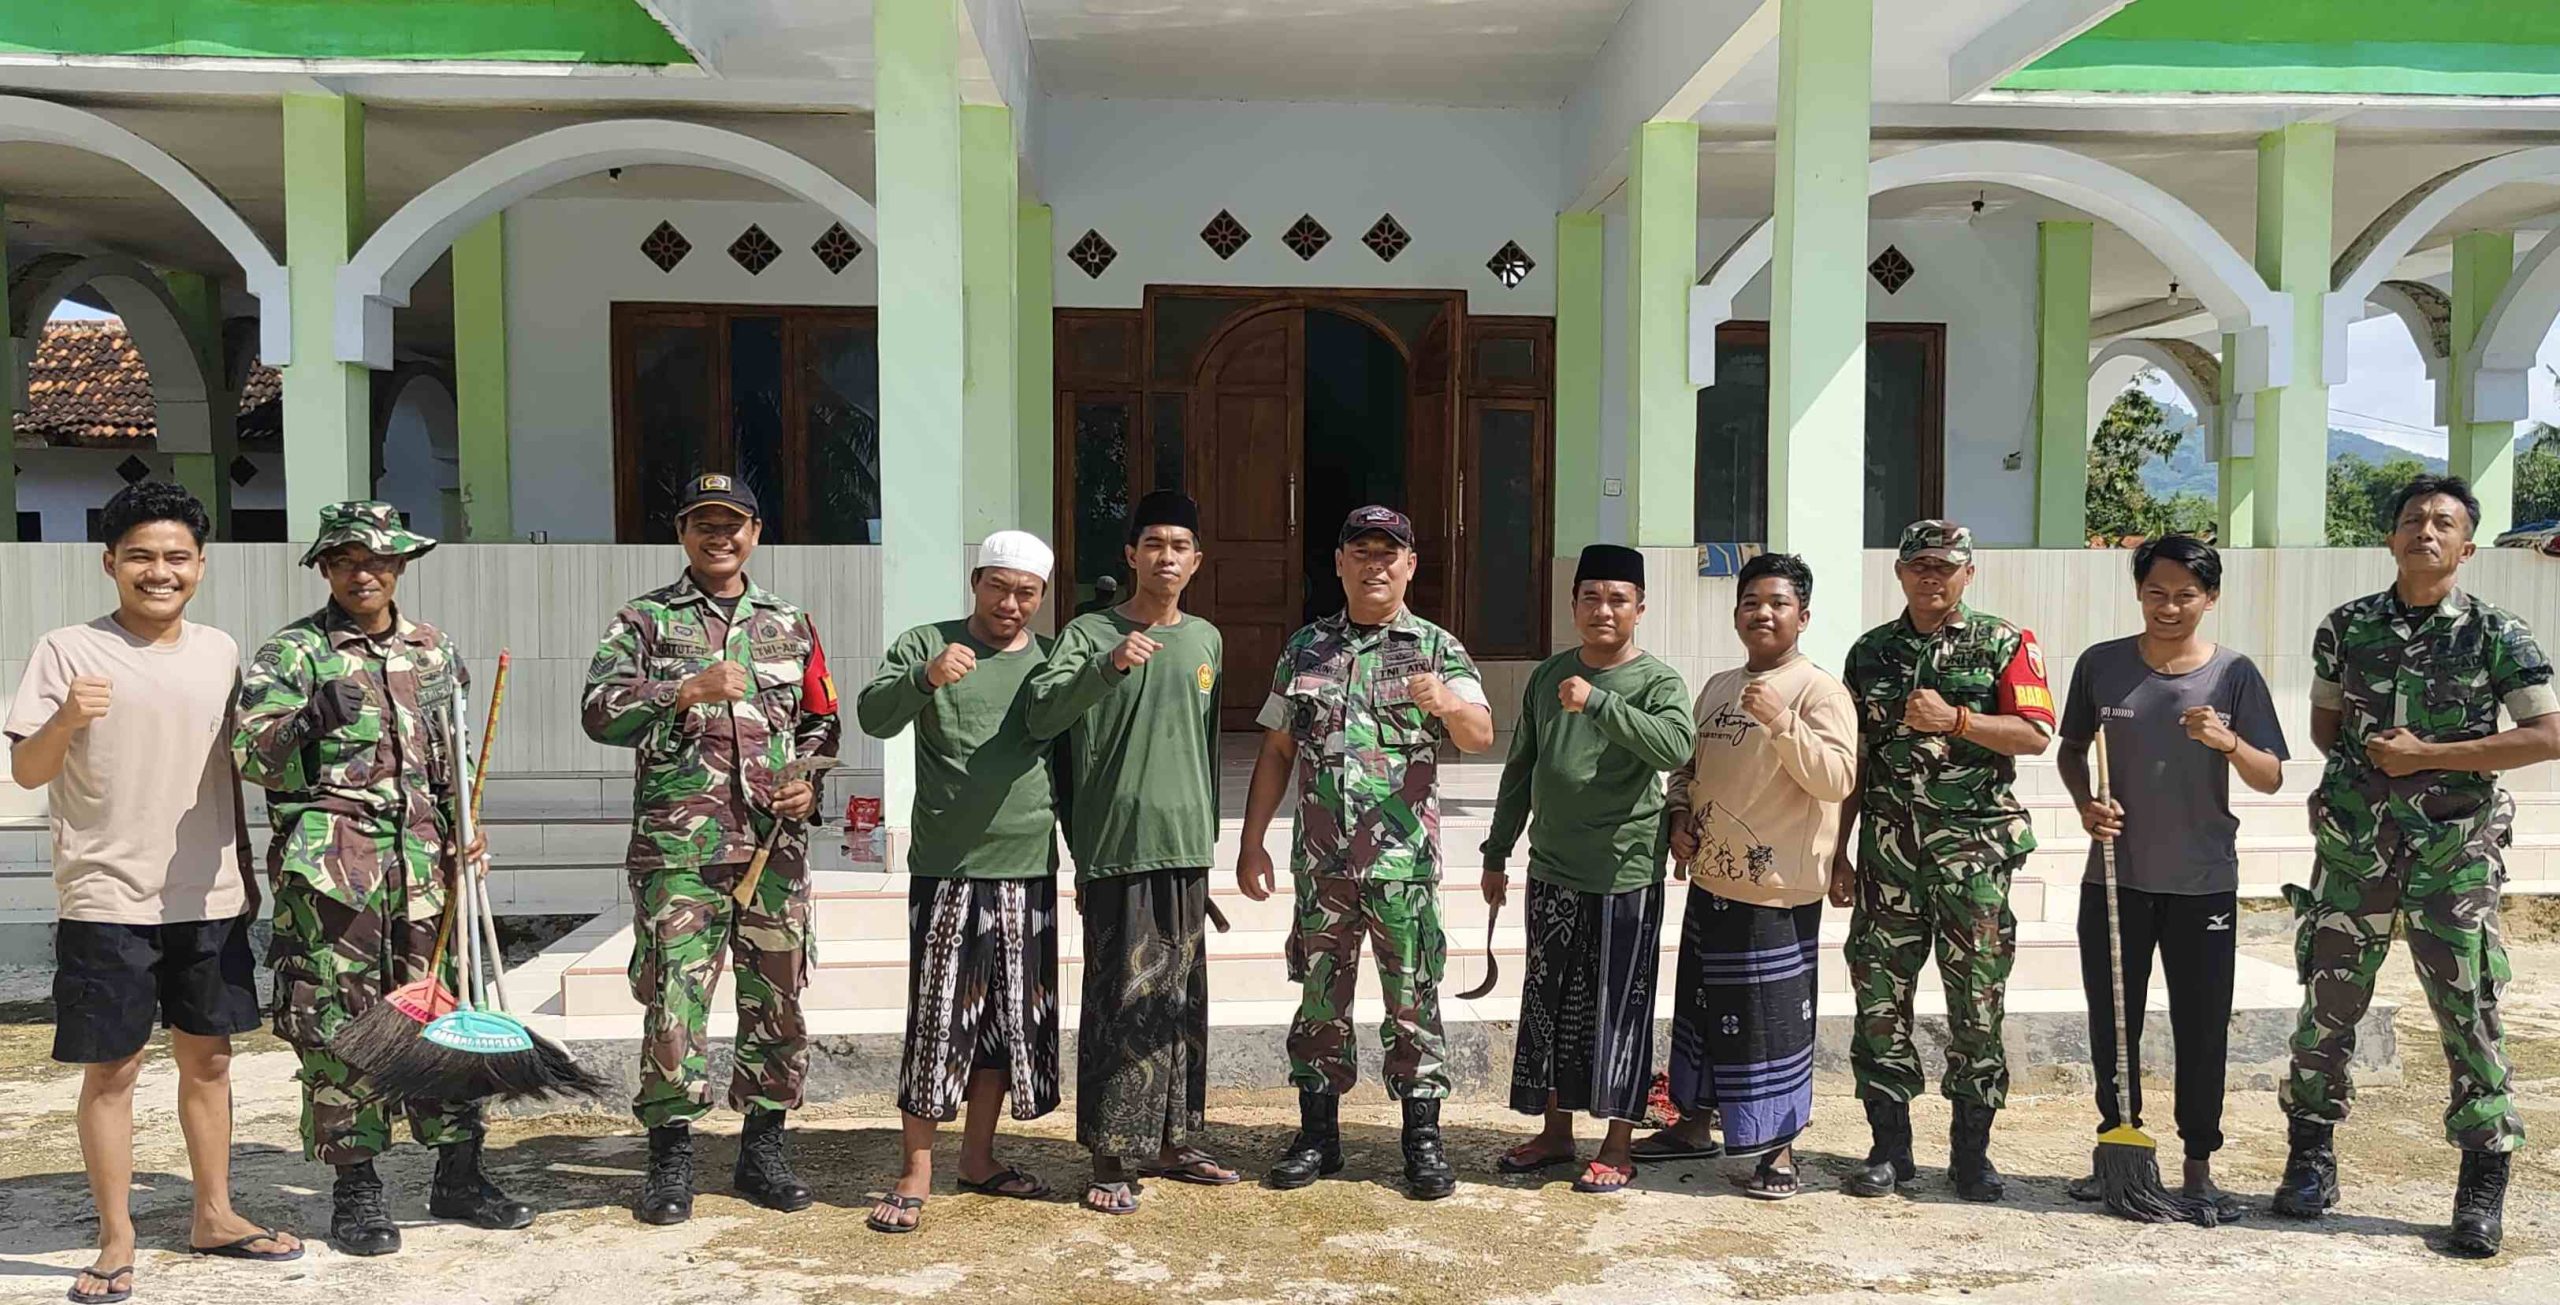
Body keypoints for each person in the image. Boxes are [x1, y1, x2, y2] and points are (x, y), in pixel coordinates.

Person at [6, 483, 301, 1303]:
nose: (159, 570)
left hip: (208, 892)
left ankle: (215, 1212)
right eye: (140, 555)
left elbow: (246, 765)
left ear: (201, 565)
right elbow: (27, 769)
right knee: (113, 1069)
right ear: (110, 563)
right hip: (106, 897)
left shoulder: (221, 651)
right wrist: (66, 718)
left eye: (176, 556)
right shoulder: (67, 650)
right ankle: (116, 1236)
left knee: (211, 1060)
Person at [2275, 474, 2557, 1258]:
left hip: (2454, 853)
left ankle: (2481, 1180)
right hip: (2357, 846)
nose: (2424, 531)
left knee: (2468, 1005)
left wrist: (2429, 756)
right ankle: (2310, 1158)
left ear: (2467, 546)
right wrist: (2369, 780)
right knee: (2329, 1000)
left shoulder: (2498, 634)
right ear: (2391, 538)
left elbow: (2545, 734)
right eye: (2411, 520)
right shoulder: (2346, 626)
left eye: (2442, 522)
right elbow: (2328, 725)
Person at [233, 500, 524, 1257]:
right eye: (347, 561)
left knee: (446, 1017)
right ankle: (357, 1188)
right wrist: (307, 721)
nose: (363, 574)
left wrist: (468, 825)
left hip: (428, 872)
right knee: (341, 1023)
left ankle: (459, 1172)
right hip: (336, 877)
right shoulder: (293, 653)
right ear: (326, 569)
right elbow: (249, 756)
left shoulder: (432, 651)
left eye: (378, 561)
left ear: (398, 566)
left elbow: (453, 753)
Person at [581, 472, 841, 1226]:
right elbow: (598, 712)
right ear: (682, 533)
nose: (719, 536)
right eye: (704, 523)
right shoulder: (644, 620)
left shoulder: (790, 623)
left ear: (755, 533)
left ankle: (764, 1149)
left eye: (733, 524)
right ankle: (670, 1157)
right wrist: (681, 690)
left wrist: (809, 786)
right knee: (674, 1003)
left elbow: (821, 720)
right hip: (679, 851)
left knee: (778, 999)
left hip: (772, 849)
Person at [1238, 505, 1496, 1201]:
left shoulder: (1436, 647)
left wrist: (1446, 703)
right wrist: (1251, 841)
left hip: (1402, 867)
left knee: (1413, 1001)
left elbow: (1480, 734)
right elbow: (1277, 749)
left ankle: (1422, 1139)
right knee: (1320, 1004)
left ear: (1410, 565)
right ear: (1339, 563)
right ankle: (1318, 1135)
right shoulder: (1305, 649)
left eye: (1389, 553)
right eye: (1362, 551)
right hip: (1323, 867)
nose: (1375, 564)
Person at [2057, 535, 2286, 1219]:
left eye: (2186, 594)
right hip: (2114, 879)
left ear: (2210, 598)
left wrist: (2227, 741)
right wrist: (2086, 803)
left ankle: (2198, 1166)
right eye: (2156, 592)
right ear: (2138, 592)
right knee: (2113, 1022)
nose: (2169, 606)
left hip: (2202, 881)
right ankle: (2119, 1150)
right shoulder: (2101, 665)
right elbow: (2071, 749)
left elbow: (2271, 776)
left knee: (2201, 1025)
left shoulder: (2234, 675)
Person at [1025, 490, 1237, 1215]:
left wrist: (1208, 836)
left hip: (1185, 846)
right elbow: (1043, 716)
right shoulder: (1089, 633)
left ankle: (1173, 1140)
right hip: (1118, 844)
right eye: (1153, 544)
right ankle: (1111, 1154)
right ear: (1130, 555)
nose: (1166, 557)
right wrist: (1108, 666)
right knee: (1122, 999)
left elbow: (1207, 744)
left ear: (1196, 561)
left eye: (1179, 547)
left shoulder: (1206, 639)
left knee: (1179, 1001)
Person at [1834, 520, 2054, 1203]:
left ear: (1968, 573)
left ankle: (1971, 1153)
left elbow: (2035, 734)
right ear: (1900, 572)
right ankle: (1889, 1149)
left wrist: (1957, 720)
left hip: (1973, 859)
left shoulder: (2004, 642)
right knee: (1878, 999)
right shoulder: (1870, 653)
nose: (1932, 576)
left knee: (1977, 1005)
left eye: (1945, 566)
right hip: (1889, 859)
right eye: (1920, 565)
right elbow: (1856, 760)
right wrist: (1838, 850)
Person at [856, 530, 1064, 1234]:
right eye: (998, 587)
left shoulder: (1050, 659)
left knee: (1006, 1022)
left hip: (1028, 865)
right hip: (949, 866)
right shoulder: (928, 643)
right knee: (939, 1019)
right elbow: (873, 715)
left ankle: (978, 1157)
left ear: (1041, 596)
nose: (1010, 603)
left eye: (1026, 593)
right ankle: (915, 1169)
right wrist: (925, 678)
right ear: (976, 582)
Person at [1479, 544, 1693, 1195]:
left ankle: (1618, 1145)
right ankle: (1556, 1132)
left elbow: (1675, 746)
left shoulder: (1657, 682)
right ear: (1572, 604)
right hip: (1553, 868)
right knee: (1550, 1005)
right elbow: (1521, 767)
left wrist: (1598, 703)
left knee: (1618, 1010)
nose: (1604, 609)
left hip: (1624, 873)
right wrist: (1496, 850)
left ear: (1640, 608)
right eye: (1591, 596)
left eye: (1618, 598)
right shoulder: (1549, 675)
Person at [1644, 552, 1856, 1200]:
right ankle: (1691, 1125)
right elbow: (1687, 769)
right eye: (1751, 602)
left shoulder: (1819, 691)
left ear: (1803, 616)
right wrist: (1678, 814)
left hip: (1777, 892)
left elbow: (1837, 778)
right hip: (1712, 882)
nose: (1763, 613)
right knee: (1703, 1012)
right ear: (1736, 612)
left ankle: (1779, 1150)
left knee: (1771, 1025)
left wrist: (1781, 722)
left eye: (1778, 603)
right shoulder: (1717, 686)